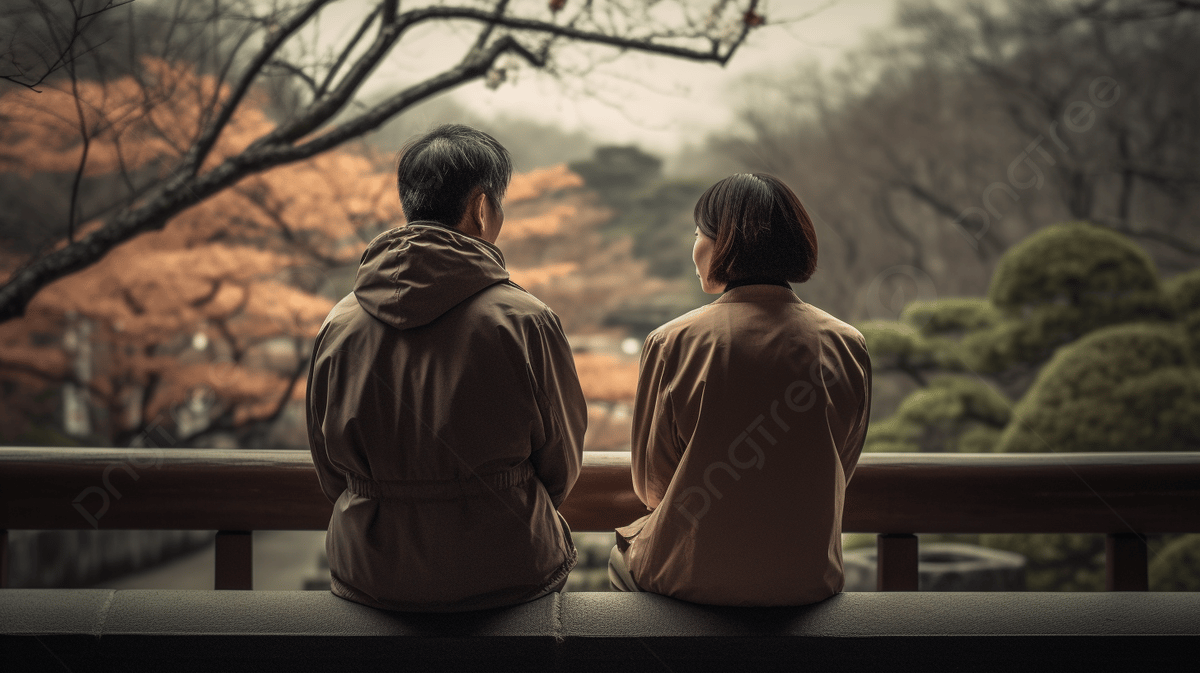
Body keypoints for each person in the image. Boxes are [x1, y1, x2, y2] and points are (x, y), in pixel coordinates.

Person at [306, 124, 587, 612]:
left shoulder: (340, 322)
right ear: (481, 208)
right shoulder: (526, 321)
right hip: (506, 566)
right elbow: (560, 461)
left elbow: (330, 466)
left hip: (372, 571)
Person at [609, 173, 872, 606]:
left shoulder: (672, 341)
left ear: (724, 242)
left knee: (622, 562)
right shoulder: (846, 344)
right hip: (807, 579)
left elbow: (652, 488)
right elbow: (839, 465)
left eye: (698, 234)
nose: (693, 249)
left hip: (693, 578)